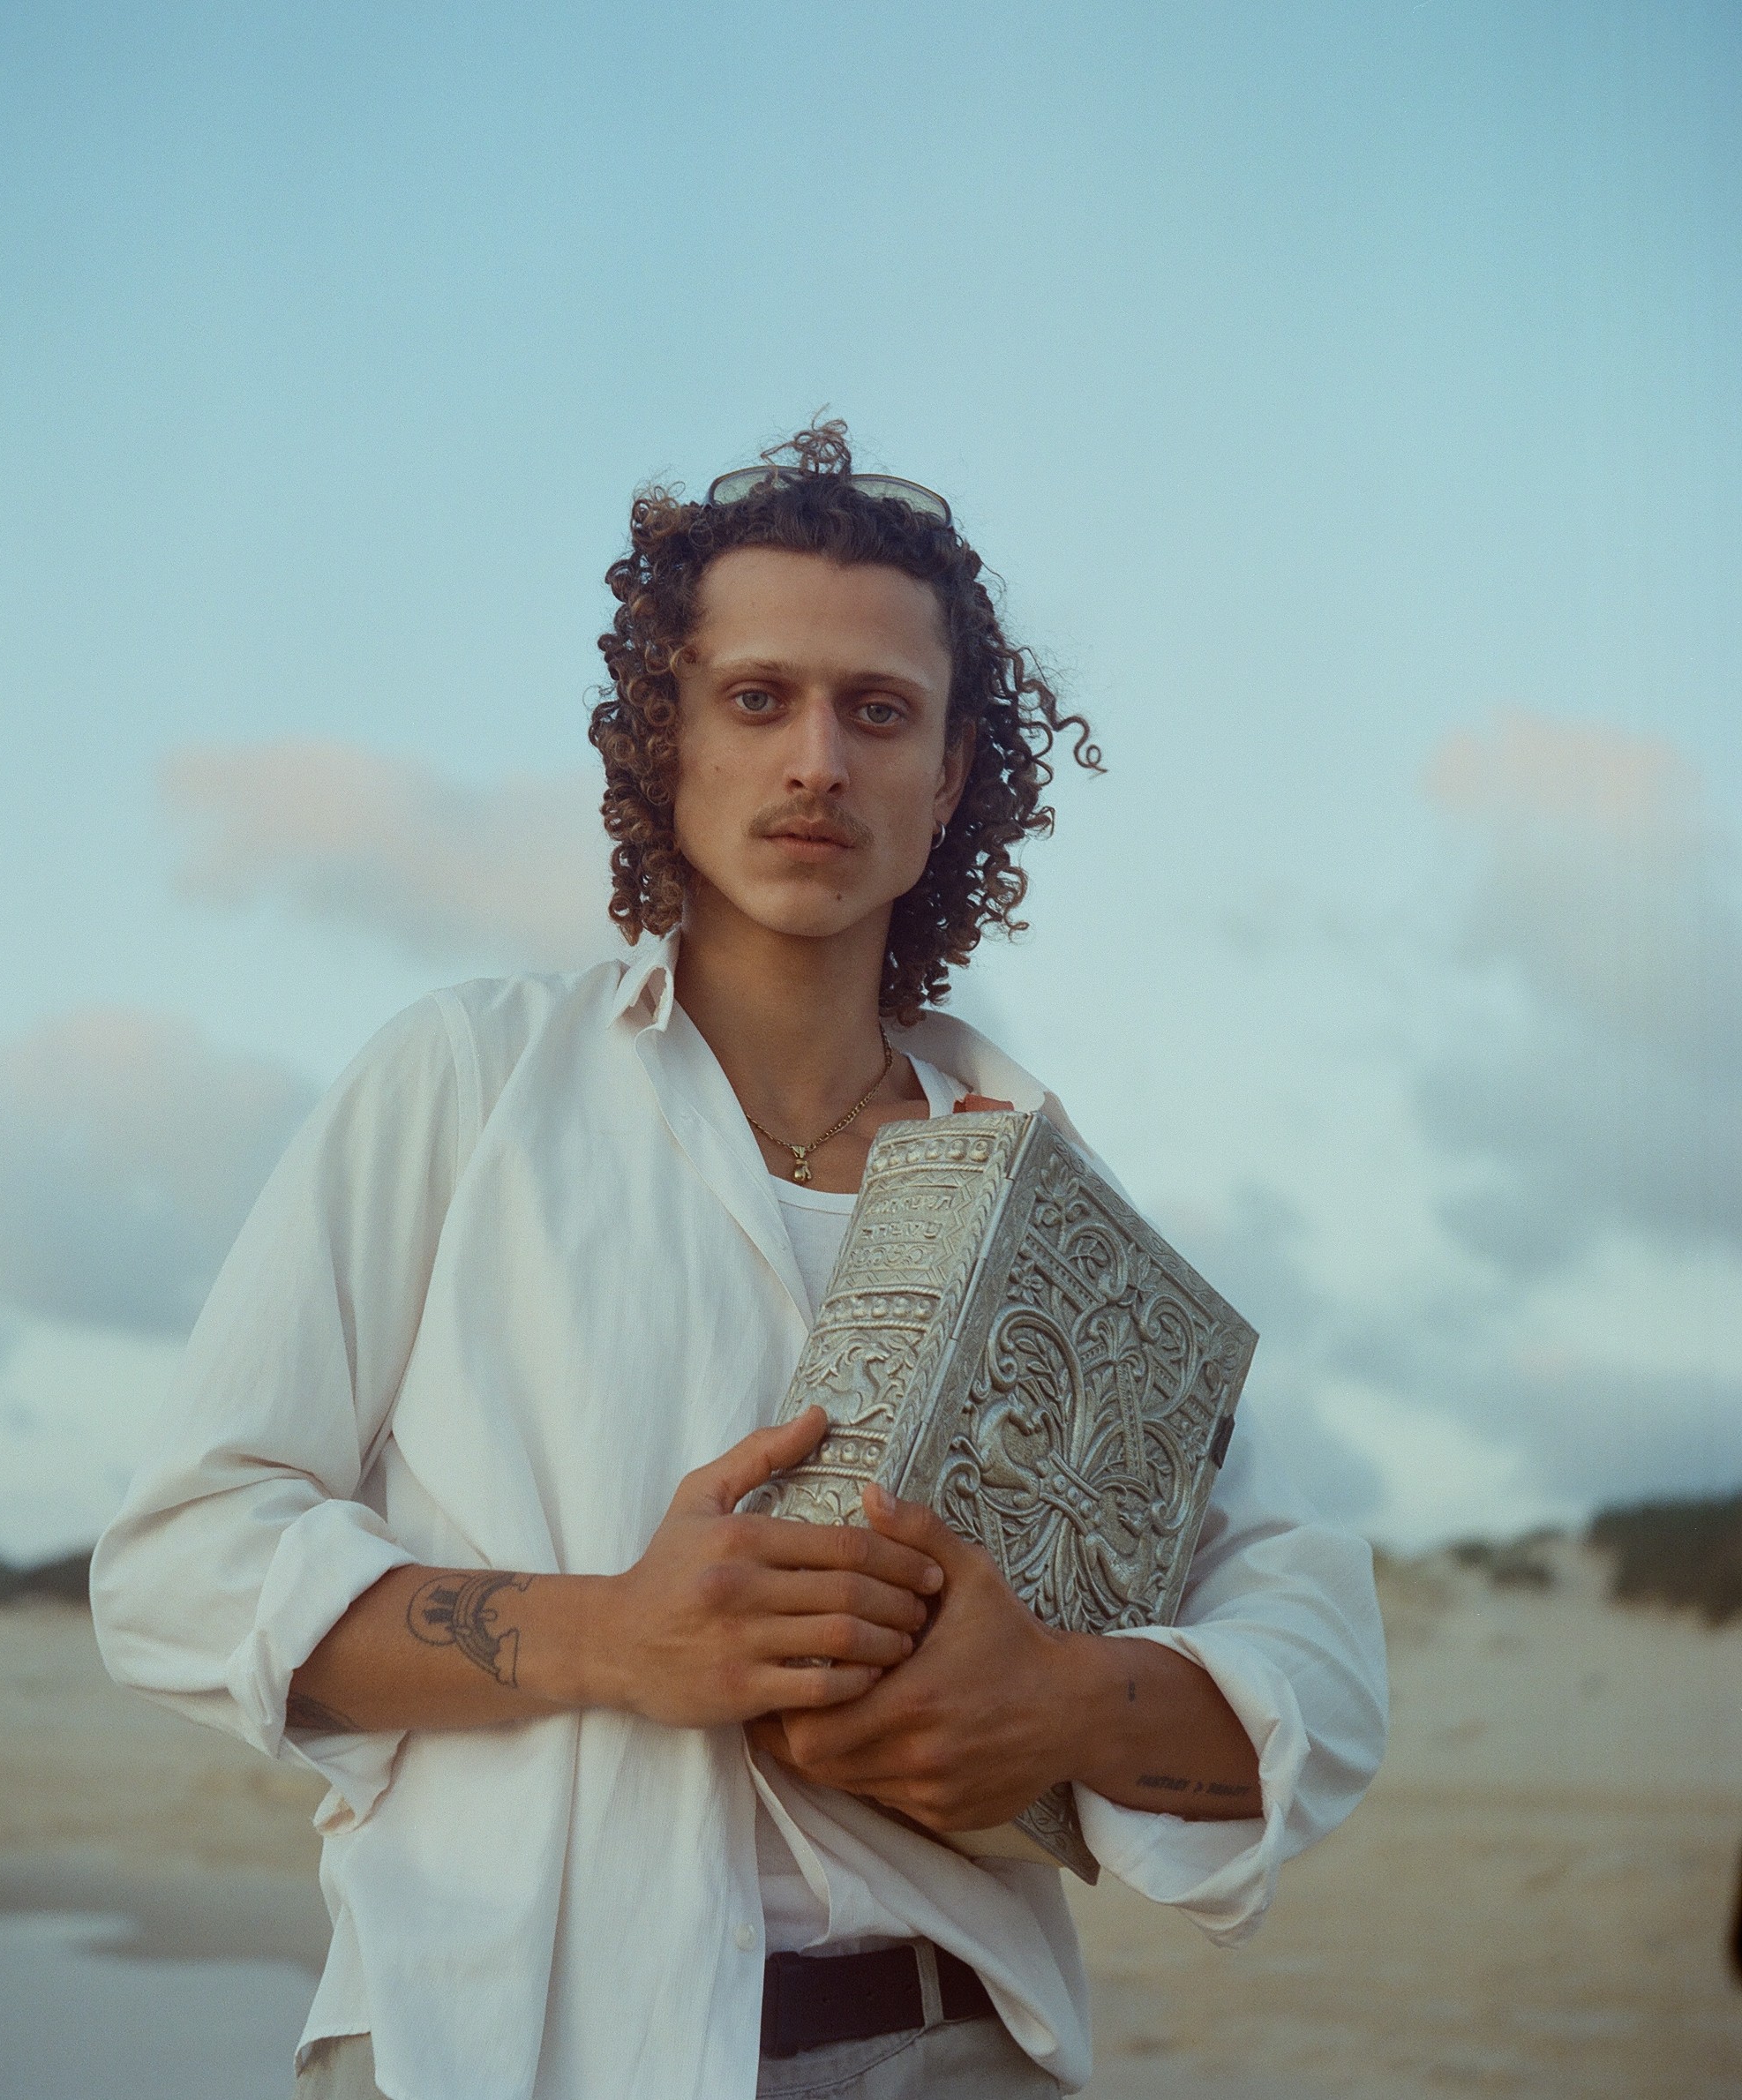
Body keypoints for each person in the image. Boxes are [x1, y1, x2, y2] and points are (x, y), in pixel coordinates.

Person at [90, 424, 1389, 2099]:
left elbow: (1313, 1651)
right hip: (498, 2044)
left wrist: (1063, 1705)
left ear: (952, 772)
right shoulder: (469, 1083)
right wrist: (609, 1635)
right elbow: (183, 1560)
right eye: (758, 698)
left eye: (879, 711)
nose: (817, 763)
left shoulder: (1042, 1194)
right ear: (669, 737)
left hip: (953, 2048)